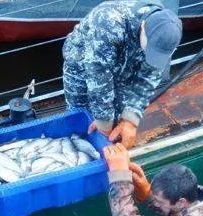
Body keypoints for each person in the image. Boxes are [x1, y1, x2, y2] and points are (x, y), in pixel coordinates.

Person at [62, 0, 182, 149]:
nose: (151, 56)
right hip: (82, 66)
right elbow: (98, 80)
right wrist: (104, 126)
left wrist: (130, 119)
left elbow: (149, 76)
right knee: (79, 117)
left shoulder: (165, 33)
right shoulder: (107, 22)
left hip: (125, 67)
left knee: (117, 119)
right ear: (144, 26)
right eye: (150, 50)